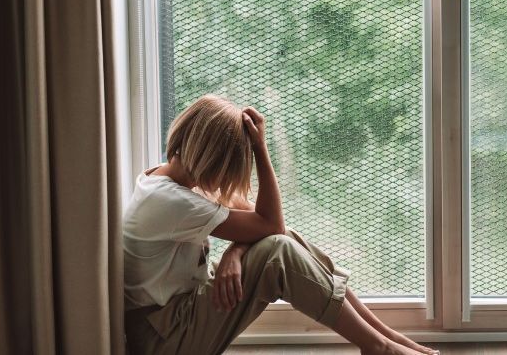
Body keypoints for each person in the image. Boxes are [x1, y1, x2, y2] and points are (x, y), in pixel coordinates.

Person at [123, 94, 438, 355]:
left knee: (285, 240)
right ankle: (380, 346)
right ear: (212, 159)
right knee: (279, 251)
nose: (225, 179)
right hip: (165, 338)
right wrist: (261, 149)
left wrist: (234, 253)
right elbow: (270, 225)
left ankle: (386, 339)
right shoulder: (172, 202)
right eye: (228, 167)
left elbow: (262, 223)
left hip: (174, 319)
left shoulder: (170, 176)